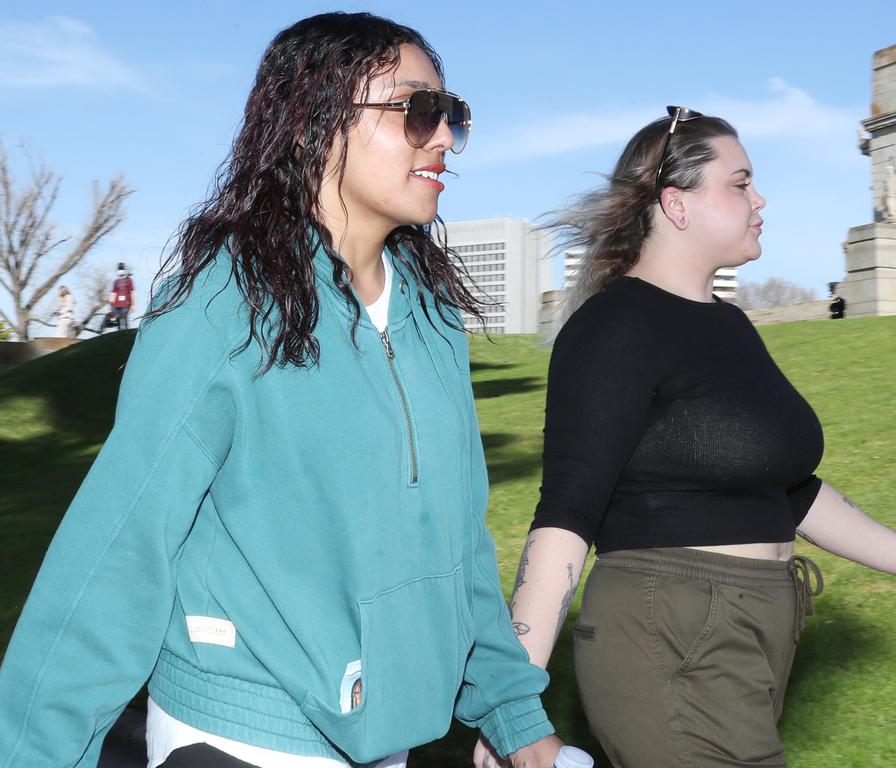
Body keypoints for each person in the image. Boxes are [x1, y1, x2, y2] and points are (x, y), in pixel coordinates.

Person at [0, 13, 562, 768]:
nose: (443, 139)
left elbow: (457, 539)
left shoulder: (431, 317)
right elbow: (120, 545)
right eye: (417, 110)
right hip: (241, 734)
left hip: (389, 731)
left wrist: (510, 708)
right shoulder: (223, 304)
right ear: (313, 122)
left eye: (452, 115)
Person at [478, 108, 896, 768]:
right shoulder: (616, 327)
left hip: (750, 631)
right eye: (740, 183)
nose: (761, 199)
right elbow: (566, 515)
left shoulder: (729, 325)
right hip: (668, 631)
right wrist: (516, 703)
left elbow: (792, 494)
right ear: (677, 204)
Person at [109, 261, 135, 330]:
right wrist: (111, 304)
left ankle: (126, 332)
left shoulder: (129, 280)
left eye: (121, 269)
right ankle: (119, 333)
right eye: (119, 269)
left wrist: (133, 304)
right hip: (116, 305)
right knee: (118, 321)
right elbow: (113, 293)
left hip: (126, 304)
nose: (120, 271)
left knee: (124, 318)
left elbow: (132, 292)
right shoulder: (116, 281)